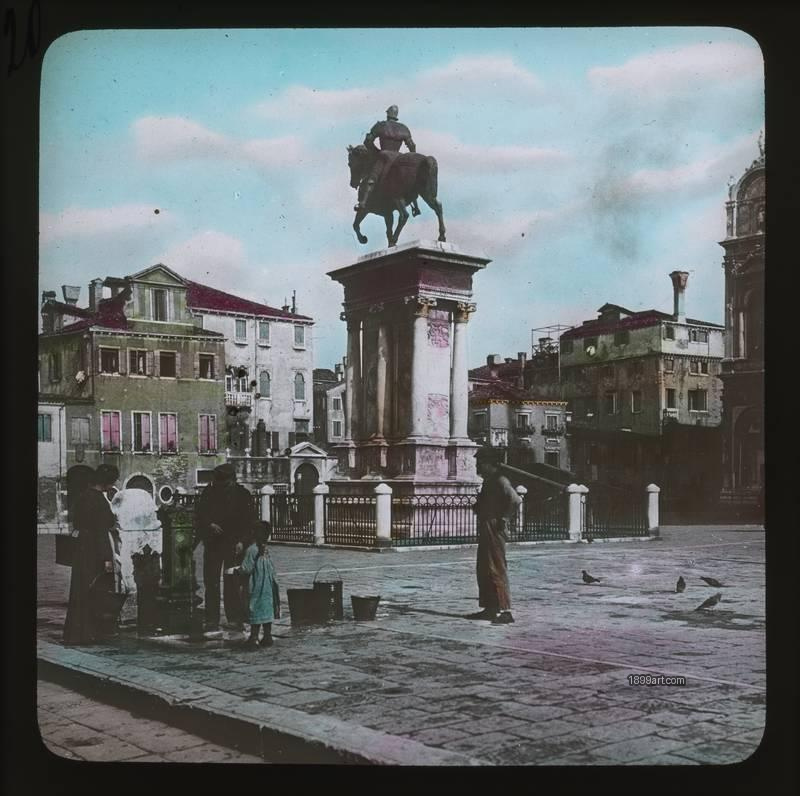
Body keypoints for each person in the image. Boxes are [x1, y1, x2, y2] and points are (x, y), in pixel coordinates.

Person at [63, 464, 122, 645]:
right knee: (92, 590)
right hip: (94, 548)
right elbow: (102, 530)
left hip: (82, 546)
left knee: (80, 589)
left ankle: (75, 633)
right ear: (106, 483)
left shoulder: (83, 497)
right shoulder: (98, 500)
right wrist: (106, 558)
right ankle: (87, 633)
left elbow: (77, 521)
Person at [195, 463, 255, 631]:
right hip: (213, 543)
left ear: (232, 480)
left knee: (233, 582)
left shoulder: (243, 495)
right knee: (211, 582)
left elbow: (250, 522)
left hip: (234, 544)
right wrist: (210, 524)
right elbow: (199, 515)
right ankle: (211, 619)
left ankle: (235, 618)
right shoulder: (209, 492)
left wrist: (243, 542)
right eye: (218, 482)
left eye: (224, 482)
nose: (221, 486)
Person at [468, 448, 521, 624]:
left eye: (481, 462)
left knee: (496, 567)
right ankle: (490, 608)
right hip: (486, 524)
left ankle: (505, 610)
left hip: (494, 526)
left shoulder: (500, 480)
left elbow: (514, 499)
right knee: (484, 568)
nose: (478, 466)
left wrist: (504, 518)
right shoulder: (489, 481)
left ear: (490, 463)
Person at [356, 104, 420, 215]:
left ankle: (363, 202)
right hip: (398, 158)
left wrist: (377, 151)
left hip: (384, 156)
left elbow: (367, 142)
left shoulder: (380, 126)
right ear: (396, 115)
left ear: (388, 114)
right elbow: (412, 147)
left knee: (372, 178)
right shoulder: (404, 128)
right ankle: (415, 206)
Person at [231, 521, 281, 650]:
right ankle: (268, 636)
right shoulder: (265, 549)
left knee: (255, 609)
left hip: (256, 585)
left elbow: (247, 568)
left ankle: (254, 638)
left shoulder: (251, 550)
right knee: (266, 609)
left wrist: (237, 571)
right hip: (268, 586)